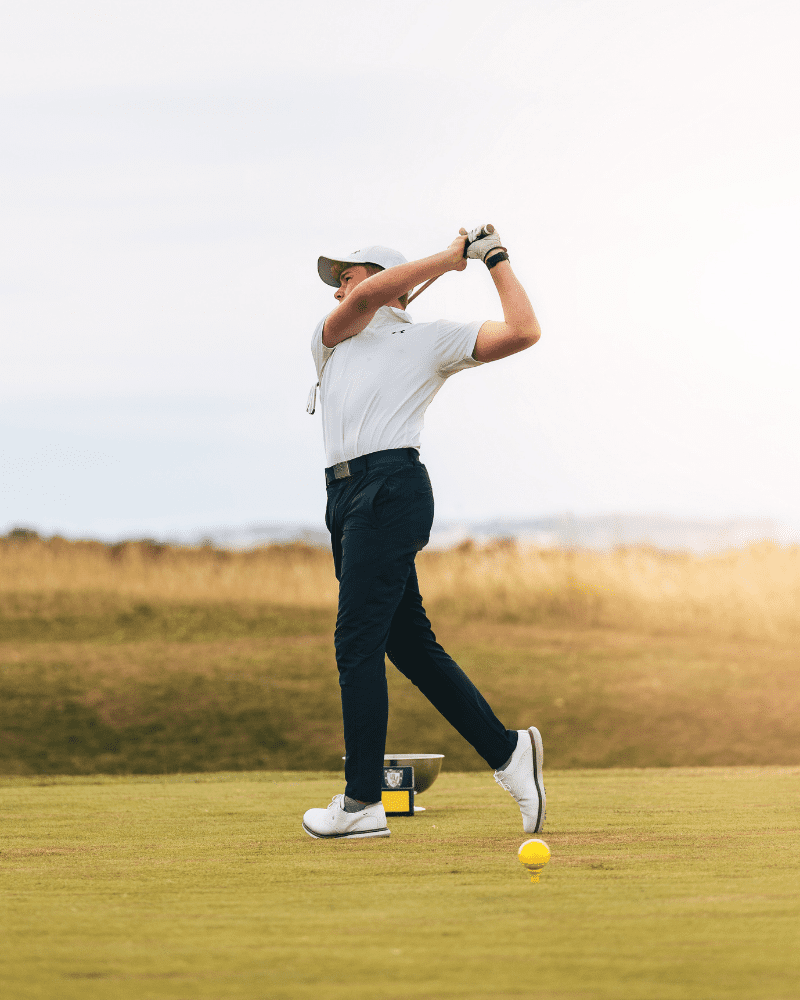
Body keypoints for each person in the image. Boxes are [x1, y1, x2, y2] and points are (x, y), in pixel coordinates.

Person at [302, 227, 545, 840]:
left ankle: (361, 804)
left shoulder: (429, 341)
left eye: (347, 274)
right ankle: (508, 751)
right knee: (407, 644)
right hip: (343, 496)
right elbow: (366, 302)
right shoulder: (332, 337)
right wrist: (449, 257)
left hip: (391, 487)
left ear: (386, 279)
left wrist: (493, 261)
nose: (338, 289)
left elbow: (523, 330)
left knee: (356, 639)